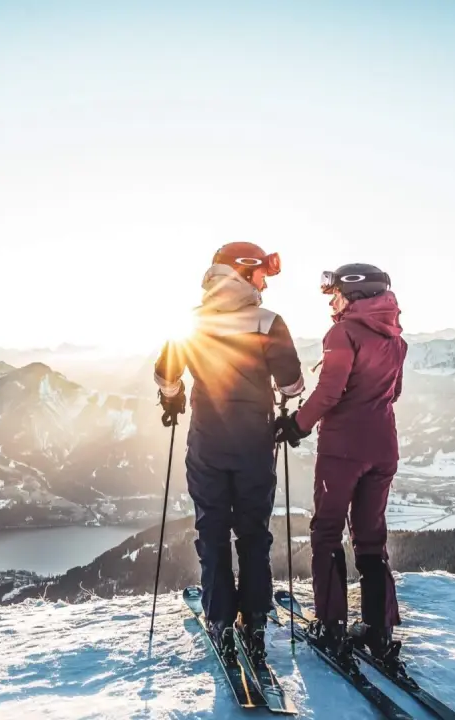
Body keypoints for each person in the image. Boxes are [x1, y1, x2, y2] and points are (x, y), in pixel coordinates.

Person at [154, 242, 304, 668]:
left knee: (213, 532)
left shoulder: (193, 323)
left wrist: (173, 398)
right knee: (254, 534)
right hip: (255, 446)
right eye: (261, 276)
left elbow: (166, 374)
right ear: (243, 272)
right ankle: (254, 620)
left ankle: (220, 620)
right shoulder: (268, 322)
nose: (265, 284)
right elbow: (292, 383)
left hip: (207, 445)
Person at [275, 263, 407, 664]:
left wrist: (296, 425)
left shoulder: (342, 333)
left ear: (355, 294)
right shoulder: (396, 340)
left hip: (342, 451)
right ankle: (379, 631)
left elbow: (329, 393)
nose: (332, 302)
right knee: (371, 538)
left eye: (336, 295)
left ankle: (331, 626)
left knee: (327, 532)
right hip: (383, 447)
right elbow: (394, 392)